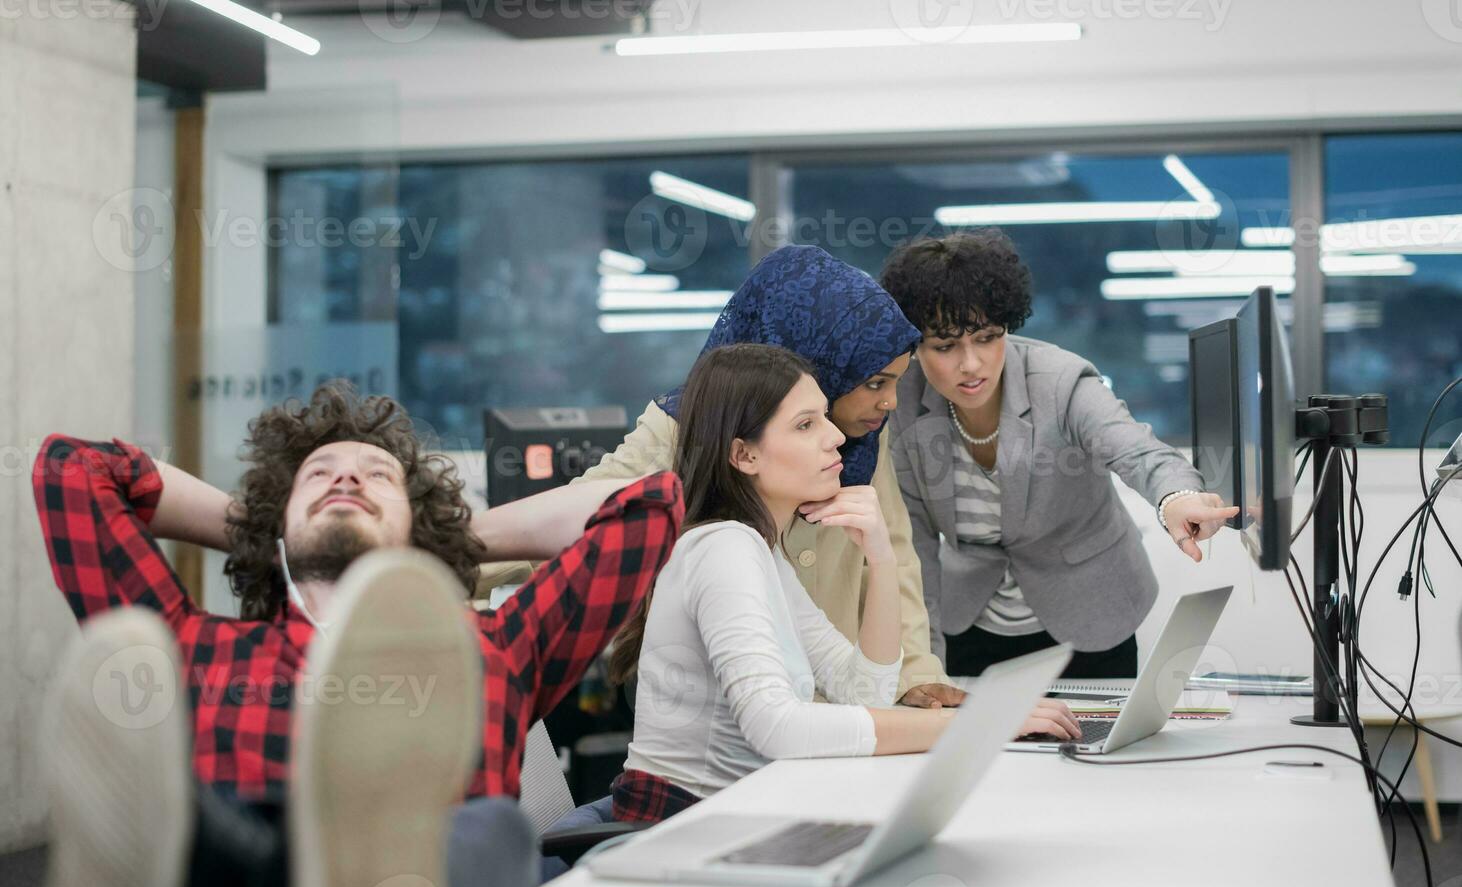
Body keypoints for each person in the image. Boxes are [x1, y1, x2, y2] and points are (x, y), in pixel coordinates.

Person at [30, 381, 684, 887]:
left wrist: (449, 537)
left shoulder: (497, 648)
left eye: (378, 478)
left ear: (417, 525)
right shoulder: (194, 645)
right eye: (319, 475)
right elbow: (71, 470)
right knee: (213, 818)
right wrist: (262, 528)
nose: (345, 478)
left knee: (486, 834)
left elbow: (651, 504)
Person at [607, 344, 1082, 824]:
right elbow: (778, 727)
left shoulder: (763, 551)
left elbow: (864, 692)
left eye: (823, 418)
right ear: (744, 454)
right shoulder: (723, 548)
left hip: (736, 813)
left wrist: (881, 555)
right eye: (805, 425)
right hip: (678, 826)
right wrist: (972, 725)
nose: (835, 437)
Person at [480, 244, 964, 710]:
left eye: (897, 381)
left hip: (834, 702)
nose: (891, 403)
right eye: (875, 383)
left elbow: (894, 552)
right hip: (733, 722)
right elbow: (575, 522)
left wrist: (915, 673)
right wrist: (445, 569)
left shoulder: (857, 433)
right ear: (816, 364)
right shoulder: (692, 431)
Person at [881, 230, 1238, 679]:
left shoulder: (1060, 380)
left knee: (1096, 743)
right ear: (915, 344)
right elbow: (911, 551)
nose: (970, 363)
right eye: (946, 346)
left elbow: (1136, 450)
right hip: (970, 621)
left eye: (988, 337)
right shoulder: (902, 405)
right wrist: (921, 667)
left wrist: (1176, 497)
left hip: (1090, 613)